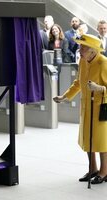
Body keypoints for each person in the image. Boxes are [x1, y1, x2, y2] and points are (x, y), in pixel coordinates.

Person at [53, 34, 107, 184]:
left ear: (93, 50)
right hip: (86, 107)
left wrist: (99, 88)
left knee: (102, 141)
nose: (80, 49)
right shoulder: (83, 61)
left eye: (83, 47)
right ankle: (93, 169)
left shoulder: (103, 63)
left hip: (101, 108)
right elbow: (78, 83)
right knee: (88, 139)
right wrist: (65, 96)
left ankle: (104, 171)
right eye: (80, 46)